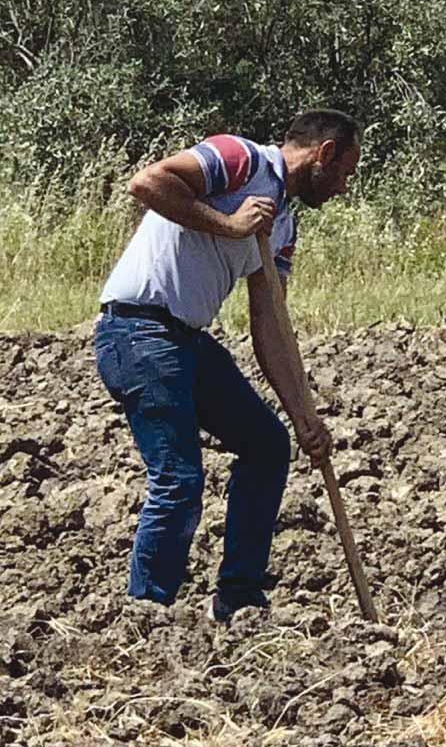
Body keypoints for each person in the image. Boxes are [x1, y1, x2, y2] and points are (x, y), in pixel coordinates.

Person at [93, 109, 360, 621]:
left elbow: (271, 327)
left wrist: (304, 417)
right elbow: (148, 183)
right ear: (323, 154)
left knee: (267, 444)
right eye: (346, 171)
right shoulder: (238, 159)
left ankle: (240, 600)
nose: (344, 187)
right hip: (137, 330)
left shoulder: (281, 225)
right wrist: (230, 224)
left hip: (186, 341)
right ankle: (147, 615)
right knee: (179, 478)